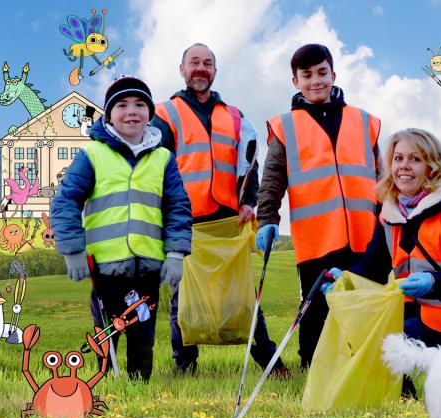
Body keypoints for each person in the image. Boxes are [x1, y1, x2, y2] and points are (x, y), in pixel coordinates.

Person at [326, 128, 441, 395]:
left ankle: (400, 394)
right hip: (421, 311)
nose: (404, 167)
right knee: (364, 327)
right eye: (398, 159)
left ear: (432, 166)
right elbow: (373, 267)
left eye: (415, 159)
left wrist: (433, 283)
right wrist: (346, 280)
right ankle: (400, 395)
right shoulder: (390, 212)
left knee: (383, 341)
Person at [151, 43, 288, 378]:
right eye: (194, 62)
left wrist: (248, 201)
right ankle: (185, 366)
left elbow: (250, 163)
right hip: (184, 220)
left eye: (208, 63)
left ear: (215, 71)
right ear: (181, 69)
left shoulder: (236, 117)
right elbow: (156, 167)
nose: (201, 68)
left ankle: (269, 362)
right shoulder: (164, 114)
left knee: (241, 294)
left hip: (227, 218)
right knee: (182, 297)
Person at [51, 75, 192, 381]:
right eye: (122, 105)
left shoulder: (164, 158)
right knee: (106, 338)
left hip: (148, 268)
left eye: (140, 104)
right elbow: (65, 203)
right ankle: (103, 391)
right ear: (108, 114)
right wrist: (73, 250)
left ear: (150, 113)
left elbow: (178, 207)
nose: (132, 111)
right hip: (103, 269)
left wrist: (177, 254)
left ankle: (138, 391)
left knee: (142, 338)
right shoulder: (92, 155)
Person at [256, 43, 382, 368]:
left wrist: (392, 216)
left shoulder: (364, 121)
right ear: (295, 81)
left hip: (366, 234)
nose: (316, 81)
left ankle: (372, 364)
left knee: (367, 301)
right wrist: (267, 218)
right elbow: (271, 179)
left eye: (321, 73)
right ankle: (312, 366)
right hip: (316, 237)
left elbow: (383, 176)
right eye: (307, 75)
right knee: (317, 306)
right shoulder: (286, 127)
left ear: (333, 74)